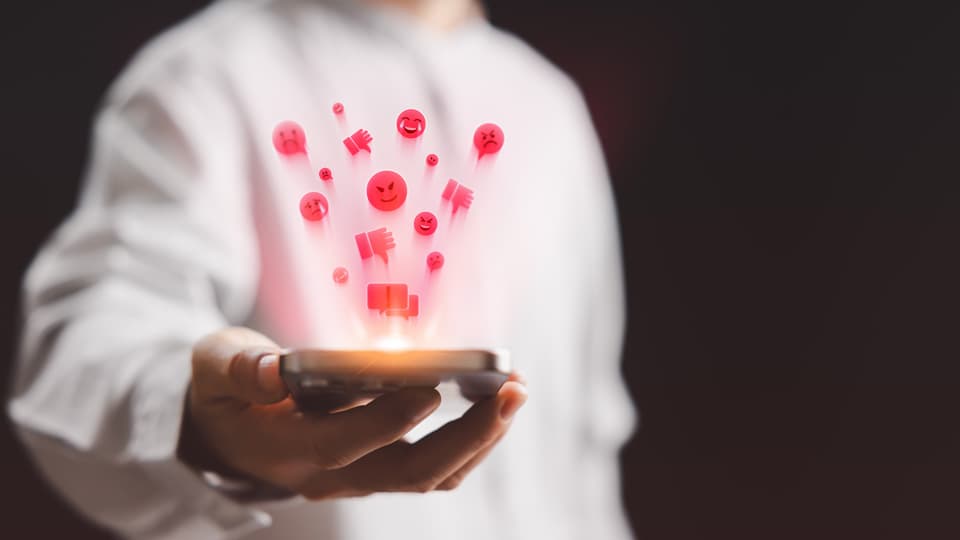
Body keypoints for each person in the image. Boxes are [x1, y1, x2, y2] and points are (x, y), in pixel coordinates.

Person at [8, 0, 635, 538]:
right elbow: (95, 335)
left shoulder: (549, 105)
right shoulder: (207, 73)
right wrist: (204, 422)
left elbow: (583, 444)